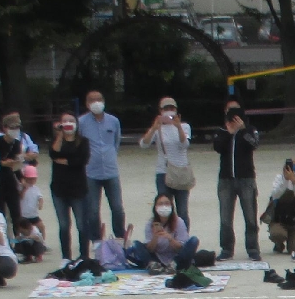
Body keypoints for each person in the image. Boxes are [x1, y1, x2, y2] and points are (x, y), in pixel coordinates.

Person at [208, 102, 261, 262]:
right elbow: (218, 147)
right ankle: (226, 248)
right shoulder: (221, 131)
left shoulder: (250, 129)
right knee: (225, 217)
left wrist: (242, 130)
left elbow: (254, 144)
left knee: (250, 216)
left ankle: (252, 248)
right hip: (226, 180)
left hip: (246, 178)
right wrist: (229, 133)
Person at [77, 90, 126, 242]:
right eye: (92, 100)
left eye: (99, 99)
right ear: (87, 104)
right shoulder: (81, 122)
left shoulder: (113, 121)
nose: (96, 102)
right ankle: (96, 239)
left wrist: (109, 155)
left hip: (111, 171)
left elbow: (116, 142)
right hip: (90, 172)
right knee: (92, 210)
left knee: (117, 207)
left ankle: (119, 236)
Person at [140, 97, 194, 226]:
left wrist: (178, 127)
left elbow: (184, 144)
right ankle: (165, 237)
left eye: (172, 108)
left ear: (176, 110)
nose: (169, 111)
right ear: (160, 111)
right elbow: (144, 144)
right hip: (163, 172)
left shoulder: (185, 126)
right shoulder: (158, 129)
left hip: (181, 171)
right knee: (164, 209)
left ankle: (183, 239)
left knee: (182, 211)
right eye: (166, 109)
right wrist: (153, 128)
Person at [47, 111, 91, 263]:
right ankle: (66, 256)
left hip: (78, 189)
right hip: (59, 189)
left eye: (71, 120)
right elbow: (53, 154)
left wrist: (66, 161)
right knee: (64, 225)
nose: (68, 123)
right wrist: (59, 135)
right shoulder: (56, 140)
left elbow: (81, 160)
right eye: (64, 121)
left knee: (81, 224)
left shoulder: (83, 141)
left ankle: (84, 255)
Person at [128, 192, 204, 274]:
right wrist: (155, 237)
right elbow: (149, 249)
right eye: (160, 204)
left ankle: (173, 265)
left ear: (171, 206)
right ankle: (154, 266)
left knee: (194, 240)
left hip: (176, 257)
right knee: (136, 244)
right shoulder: (150, 223)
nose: (164, 206)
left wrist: (170, 239)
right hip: (157, 257)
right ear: (155, 207)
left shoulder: (179, 222)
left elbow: (181, 248)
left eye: (167, 203)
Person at [0, 112, 34, 226]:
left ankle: (18, 239)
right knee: (0, 213)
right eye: (12, 127)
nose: (15, 130)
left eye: (17, 127)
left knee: (16, 213)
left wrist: (21, 179)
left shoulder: (17, 143)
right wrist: (2, 163)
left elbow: (16, 166)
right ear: (5, 128)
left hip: (10, 179)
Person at [264, 156, 295, 255]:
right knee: (277, 234)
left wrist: (294, 182)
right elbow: (275, 195)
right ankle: (278, 243)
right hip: (279, 219)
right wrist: (285, 180)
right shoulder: (279, 178)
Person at [13, 165, 47, 260]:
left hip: (33, 214)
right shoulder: (21, 187)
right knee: (22, 231)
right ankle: (20, 247)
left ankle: (42, 242)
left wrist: (40, 203)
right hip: (24, 215)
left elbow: (40, 197)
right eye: (29, 179)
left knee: (41, 227)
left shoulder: (36, 188)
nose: (32, 181)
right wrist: (24, 188)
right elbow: (20, 197)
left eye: (33, 179)